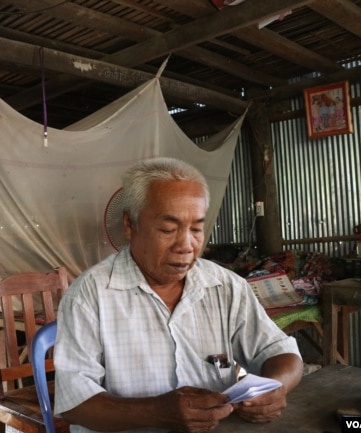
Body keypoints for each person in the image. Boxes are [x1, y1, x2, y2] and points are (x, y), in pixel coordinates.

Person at [54, 157, 303, 433]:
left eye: (196, 229)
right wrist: (155, 413)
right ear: (130, 225)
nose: (186, 245)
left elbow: (281, 352)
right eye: (168, 229)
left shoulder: (226, 287)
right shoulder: (90, 296)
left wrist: (275, 388)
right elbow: (73, 403)